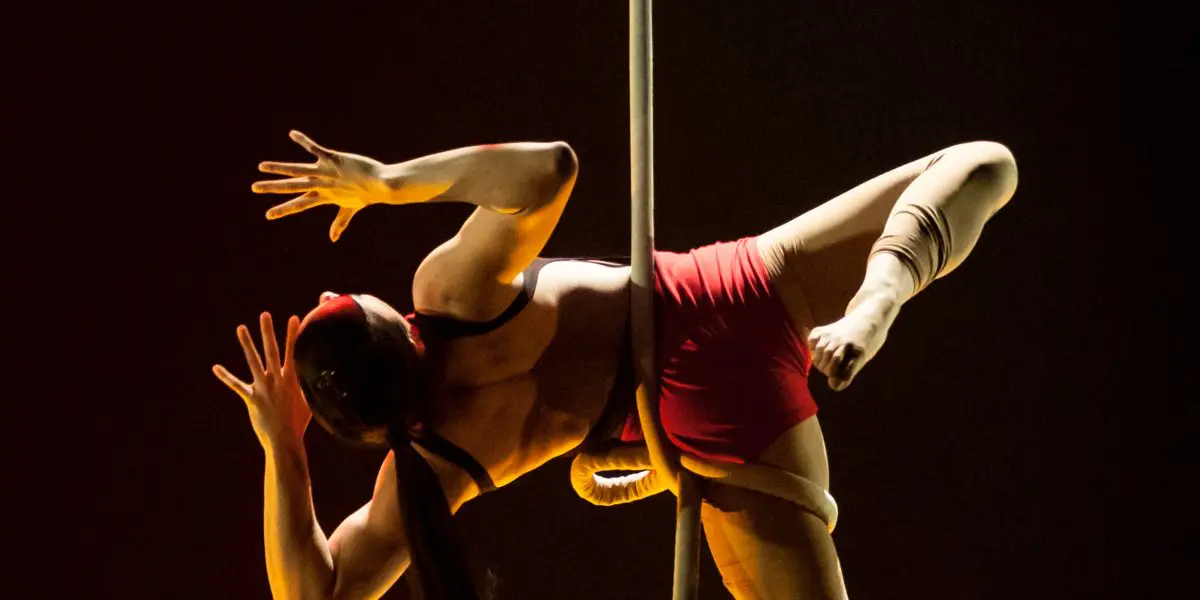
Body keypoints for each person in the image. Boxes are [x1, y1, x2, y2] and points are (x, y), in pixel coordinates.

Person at [213, 130, 1017, 599]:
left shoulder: (429, 469)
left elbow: (317, 595)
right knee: (985, 164)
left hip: (709, 434)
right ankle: (879, 299)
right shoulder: (449, 296)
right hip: (717, 296)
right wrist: (388, 184)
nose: (329, 282)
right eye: (343, 297)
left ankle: (871, 308)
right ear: (396, 331)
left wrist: (283, 447)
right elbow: (549, 170)